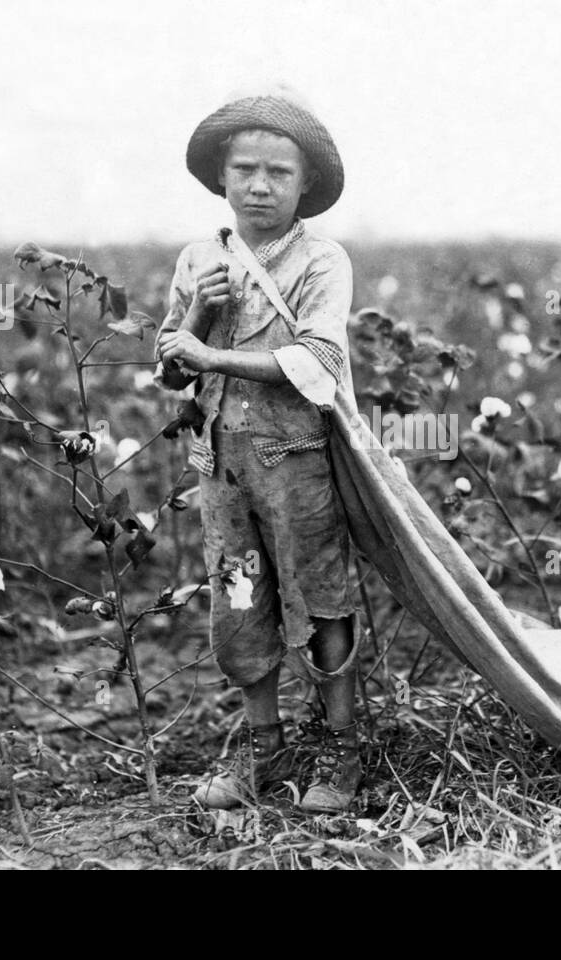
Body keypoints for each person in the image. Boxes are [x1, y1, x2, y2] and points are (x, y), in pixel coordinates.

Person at [155, 86, 362, 814]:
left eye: (279, 172)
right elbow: (171, 364)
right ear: (222, 177)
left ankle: (340, 747)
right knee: (238, 600)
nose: (260, 185)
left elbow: (317, 362)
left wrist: (210, 357)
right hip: (222, 466)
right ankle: (262, 746)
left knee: (320, 599)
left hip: (295, 462)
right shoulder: (198, 259)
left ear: (306, 184)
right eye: (245, 169)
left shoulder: (321, 261)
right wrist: (200, 311)